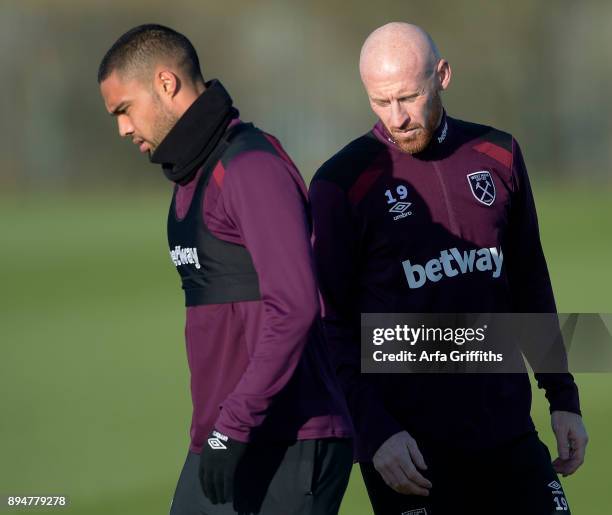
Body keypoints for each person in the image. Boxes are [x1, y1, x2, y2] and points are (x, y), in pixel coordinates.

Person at [309, 22, 588, 515]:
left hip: (508, 435)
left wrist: (562, 395)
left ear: (442, 75)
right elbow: (331, 327)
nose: (396, 117)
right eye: (380, 102)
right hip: (409, 455)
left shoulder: (499, 154)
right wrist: (375, 434)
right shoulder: (341, 182)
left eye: (409, 97)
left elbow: (529, 283)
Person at [98, 24, 353, 515]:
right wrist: (219, 434)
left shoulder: (249, 167)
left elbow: (296, 307)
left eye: (124, 110)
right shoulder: (190, 178)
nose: (122, 129)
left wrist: (232, 424)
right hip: (224, 440)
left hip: (289, 438)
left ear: (166, 84)